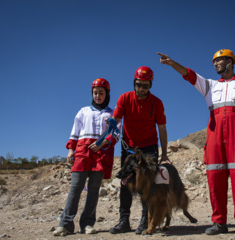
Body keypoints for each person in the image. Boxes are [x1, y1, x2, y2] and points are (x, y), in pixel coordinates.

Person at [157, 50, 235, 238]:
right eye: (214, 61)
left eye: (219, 60)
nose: (215, 64)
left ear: (230, 62)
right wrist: (173, 63)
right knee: (215, 179)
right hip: (215, 136)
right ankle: (219, 222)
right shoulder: (210, 86)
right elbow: (189, 75)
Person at [53, 78, 121, 236]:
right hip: (82, 152)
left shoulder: (113, 114)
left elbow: (116, 133)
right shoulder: (83, 111)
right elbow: (75, 132)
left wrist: (103, 142)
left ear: (107, 94)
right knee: (75, 188)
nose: (98, 96)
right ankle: (65, 224)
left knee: (94, 189)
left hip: (102, 153)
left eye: (101, 93)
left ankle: (87, 224)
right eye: (95, 93)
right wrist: (71, 150)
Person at [109, 66, 170, 235]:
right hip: (129, 147)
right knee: (126, 183)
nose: (141, 89)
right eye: (138, 85)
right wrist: (110, 128)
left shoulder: (157, 103)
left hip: (149, 147)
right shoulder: (125, 98)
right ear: (134, 83)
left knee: (148, 185)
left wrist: (164, 154)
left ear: (150, 85)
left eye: (145, 86)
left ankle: (146, 219)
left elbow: (162, 129)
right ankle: (124, 221)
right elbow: (115, 120)